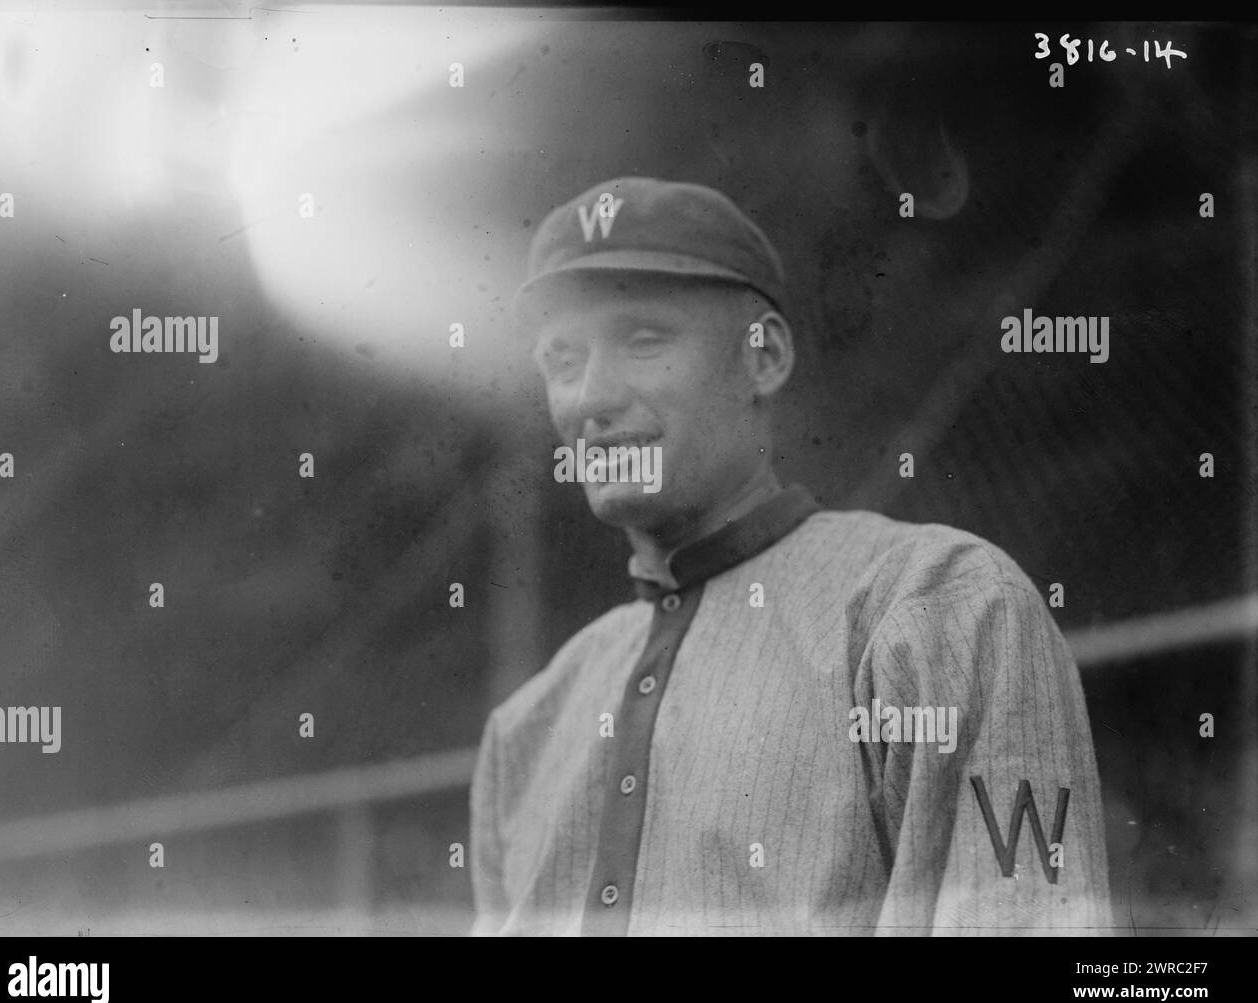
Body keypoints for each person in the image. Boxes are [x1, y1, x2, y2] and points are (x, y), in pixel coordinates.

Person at [468, 176, 1111, 936]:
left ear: (762, 356)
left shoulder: (938, 608)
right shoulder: (525, 732)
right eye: (562, 360)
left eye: (643, 339)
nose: (588, 398)